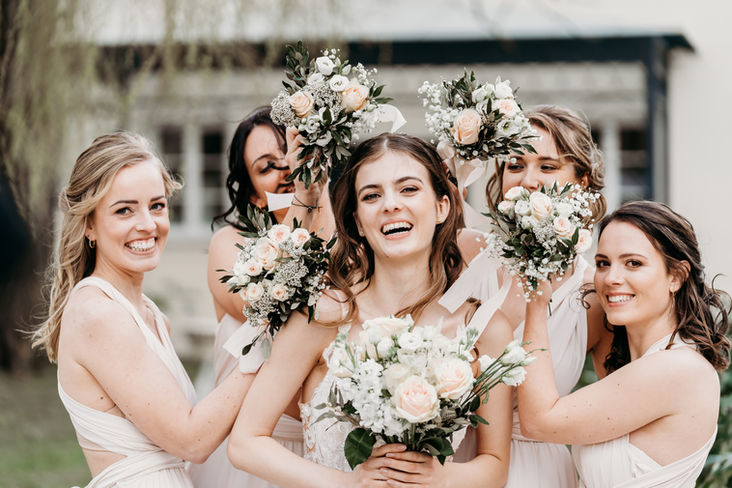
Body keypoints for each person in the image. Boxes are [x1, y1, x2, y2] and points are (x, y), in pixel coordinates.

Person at [227, 133, 514, 487]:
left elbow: (495, 467)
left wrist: (439, 476)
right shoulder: (323, 316)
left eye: (408, 189)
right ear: (359, 222)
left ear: (442, 206)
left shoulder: (483, 328)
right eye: (372, 196)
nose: (390, 204)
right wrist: (346, 484)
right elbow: (245, 443)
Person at [32, 131, 252, 487]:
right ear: (89, 225)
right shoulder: (98, 314)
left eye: (157, 206)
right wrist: (266, 346)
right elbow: (192, 440)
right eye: (124, 210)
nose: (148, 224)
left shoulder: (150, 315)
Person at [452, 105, 611, 487]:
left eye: (548, 166)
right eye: (516, 164)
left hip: (541, 472)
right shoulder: (462, 253)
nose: (528, 179)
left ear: (582, 180)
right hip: (455, 463)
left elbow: (616, 404)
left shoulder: (595, 293)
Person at [518, 201, 730, 487]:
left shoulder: (678, 368)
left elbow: (538, 422)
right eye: (603, 263)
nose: (611, 278)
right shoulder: (630, 361)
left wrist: (536, 303)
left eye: (633, 263)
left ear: (676, 276)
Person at [190, 106, 334, 487]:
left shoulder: (347, 243)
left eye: (294, 152)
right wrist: (304, 198)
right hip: (249, 459)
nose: (287, 168)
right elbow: (274, 305)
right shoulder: (228, 246)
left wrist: (320, 197)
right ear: (254, 194)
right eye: (267, 166)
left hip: (324, 455)